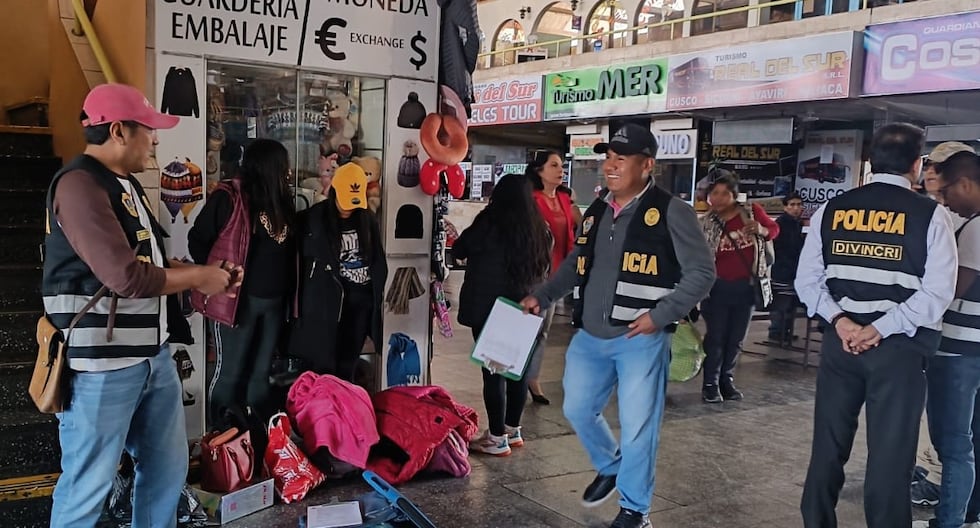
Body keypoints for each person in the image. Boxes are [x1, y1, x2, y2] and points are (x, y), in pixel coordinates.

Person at [42, 83, 239, 527]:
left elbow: (146, 262)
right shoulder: (78, 186)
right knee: (87, 487)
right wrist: (199, 277)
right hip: (101, 368)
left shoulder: (125, 184)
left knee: (167, 472)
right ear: (118, 130)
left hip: (152, 357)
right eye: (149, 129)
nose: (155, 139)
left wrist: (208, 274)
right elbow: (127, 277)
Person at [520, 124, 715, 528]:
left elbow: (701, 272)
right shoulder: (596, 210)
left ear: (647, 165)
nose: (610, 165)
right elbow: (577, 262)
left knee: (639, 426)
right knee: (576, 407)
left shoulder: (671, 211)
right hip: (591, 335)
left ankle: (634, 509)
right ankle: (611, 465)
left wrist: (661, 315)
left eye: (621, 158)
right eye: (608, 157)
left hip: (640, 339)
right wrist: (545, 293)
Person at [796, 123, 958, 528]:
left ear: (871, 161)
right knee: (891, 455)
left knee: (828, 447)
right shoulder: (931, 215)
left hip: (840, 345)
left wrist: (842, 321)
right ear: (917, 165)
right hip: (898, 352)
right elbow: (938, 293)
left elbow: (807, 281)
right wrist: (881, 328)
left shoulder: (833, 209)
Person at [189, 138, 296, 428]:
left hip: (274, 305)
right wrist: (218, 277)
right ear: (270, 166)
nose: (288, 171)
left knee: (261, 374)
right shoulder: (230, 197)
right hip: (237, 304)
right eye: (283, 165)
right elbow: (197, 240)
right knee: (231, 372)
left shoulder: (283, 201)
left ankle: (255, 442)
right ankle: (221, 441)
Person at [454, 173, 551, 455]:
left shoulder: (489, 223)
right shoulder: (540, 228)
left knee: (494, 373)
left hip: (491, 308)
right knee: (516, 372)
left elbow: (460, 249)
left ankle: (496, 438)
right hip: (526, 308)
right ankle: (512, 430)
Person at [914, 151, 980, 528]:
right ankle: (968, 513)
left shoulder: (974, 228)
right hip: (974, 348)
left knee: (953, 443)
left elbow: (952, 290)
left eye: (947, 190)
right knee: (972, 438)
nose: (944, 200)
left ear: (966, 184)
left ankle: (949, 521)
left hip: (959, 349)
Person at [289, 162, 387, 382]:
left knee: (347, 367)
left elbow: (377, 260)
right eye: (345, 200)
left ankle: (343, 411)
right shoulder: (313, 219)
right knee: (323, 369)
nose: (349, 207)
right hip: (327, 303)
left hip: (360, 303)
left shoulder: (367, 219)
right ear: (334, 191)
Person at [698, 172, 779, 403]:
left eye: (726, 193)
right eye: (715, 193)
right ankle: (710, 384)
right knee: (716, 338)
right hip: (716, 289)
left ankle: (727, 380)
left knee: (736, 338)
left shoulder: (751, 213)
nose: (720, 198)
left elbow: (774, 230)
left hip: (746, 287)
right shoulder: (704, 223)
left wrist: (762, 231)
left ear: (734, 195)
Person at [525, 150, 581, 405]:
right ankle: (518, 376)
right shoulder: (532, 199)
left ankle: (532, 378)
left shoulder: (564, 199)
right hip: (536, 274)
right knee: (528, 328)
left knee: (543, 331)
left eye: (562, 166)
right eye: (554, 165)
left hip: (559, 273)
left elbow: (578, 227)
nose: (561, 170)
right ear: (539, 171)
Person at [768, 192, 805, 342]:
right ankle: (777, 330)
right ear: (785, 207)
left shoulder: (798, 224)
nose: (796, 208)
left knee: (790, 302)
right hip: (783, 268)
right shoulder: (781, 224)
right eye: (792, 205)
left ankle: (786, 330)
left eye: (798, 204)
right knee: (781, 301)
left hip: (794, 269)